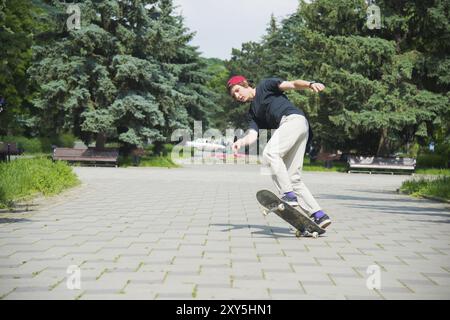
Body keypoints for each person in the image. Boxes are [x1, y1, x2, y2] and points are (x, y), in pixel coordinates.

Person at [227, 75, 331, 229]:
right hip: (298, 128)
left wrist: (310, 84)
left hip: (293, 121)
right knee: (292, 177)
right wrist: (240, 142)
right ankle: (318, 215)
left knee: (270, 153)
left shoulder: (265, 85)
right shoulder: (253, 113)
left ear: (245, 83)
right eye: (234, 95)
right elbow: (252, 135)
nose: (237, 95)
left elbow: (293, 84)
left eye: (237, 90)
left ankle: (288, 196)